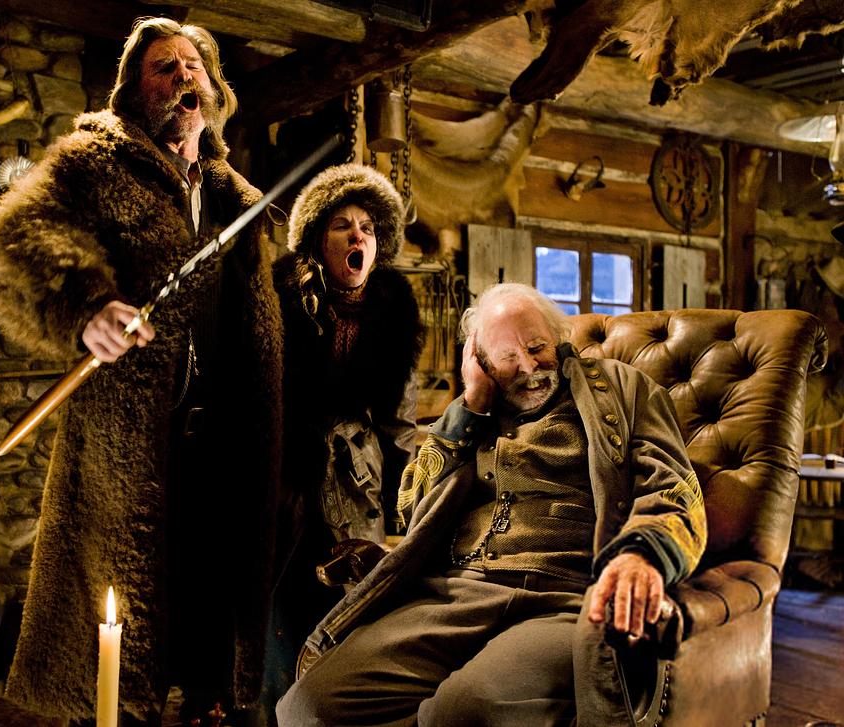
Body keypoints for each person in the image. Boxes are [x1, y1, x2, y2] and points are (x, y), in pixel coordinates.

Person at [0, 17, 282, 727]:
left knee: (209, 610)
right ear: (135, 93)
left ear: (214, 90)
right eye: (163, 68)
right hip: (128, 440)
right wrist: (85, 305)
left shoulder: (234, 191)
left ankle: (205, 706)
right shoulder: (95, 160)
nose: (182, 75)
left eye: (192, 65)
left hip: (222, 441)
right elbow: (17, 237)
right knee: (119, 625)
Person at [276, 283, 707, 726]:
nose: (529, 367)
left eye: (537, 347)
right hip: (454, 594)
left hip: (562, 598)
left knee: (461, 711)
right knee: (308, 707)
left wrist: (642, 555)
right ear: (481, 362)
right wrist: (470, 405)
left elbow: (672, 486)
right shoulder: (473, 414)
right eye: (507, 357)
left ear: (558, 337)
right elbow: (411, 508)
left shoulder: (621, 388)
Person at [263, 164, 422, 710]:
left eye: (368, 229)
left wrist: (409, 505)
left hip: (358, 481)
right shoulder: (280, 298)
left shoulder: (394, 312)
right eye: (343, 226)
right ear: (316, 240)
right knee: (280, 617)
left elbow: (399, 426)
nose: (358, 236)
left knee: (347, 617)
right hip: (284, 477)